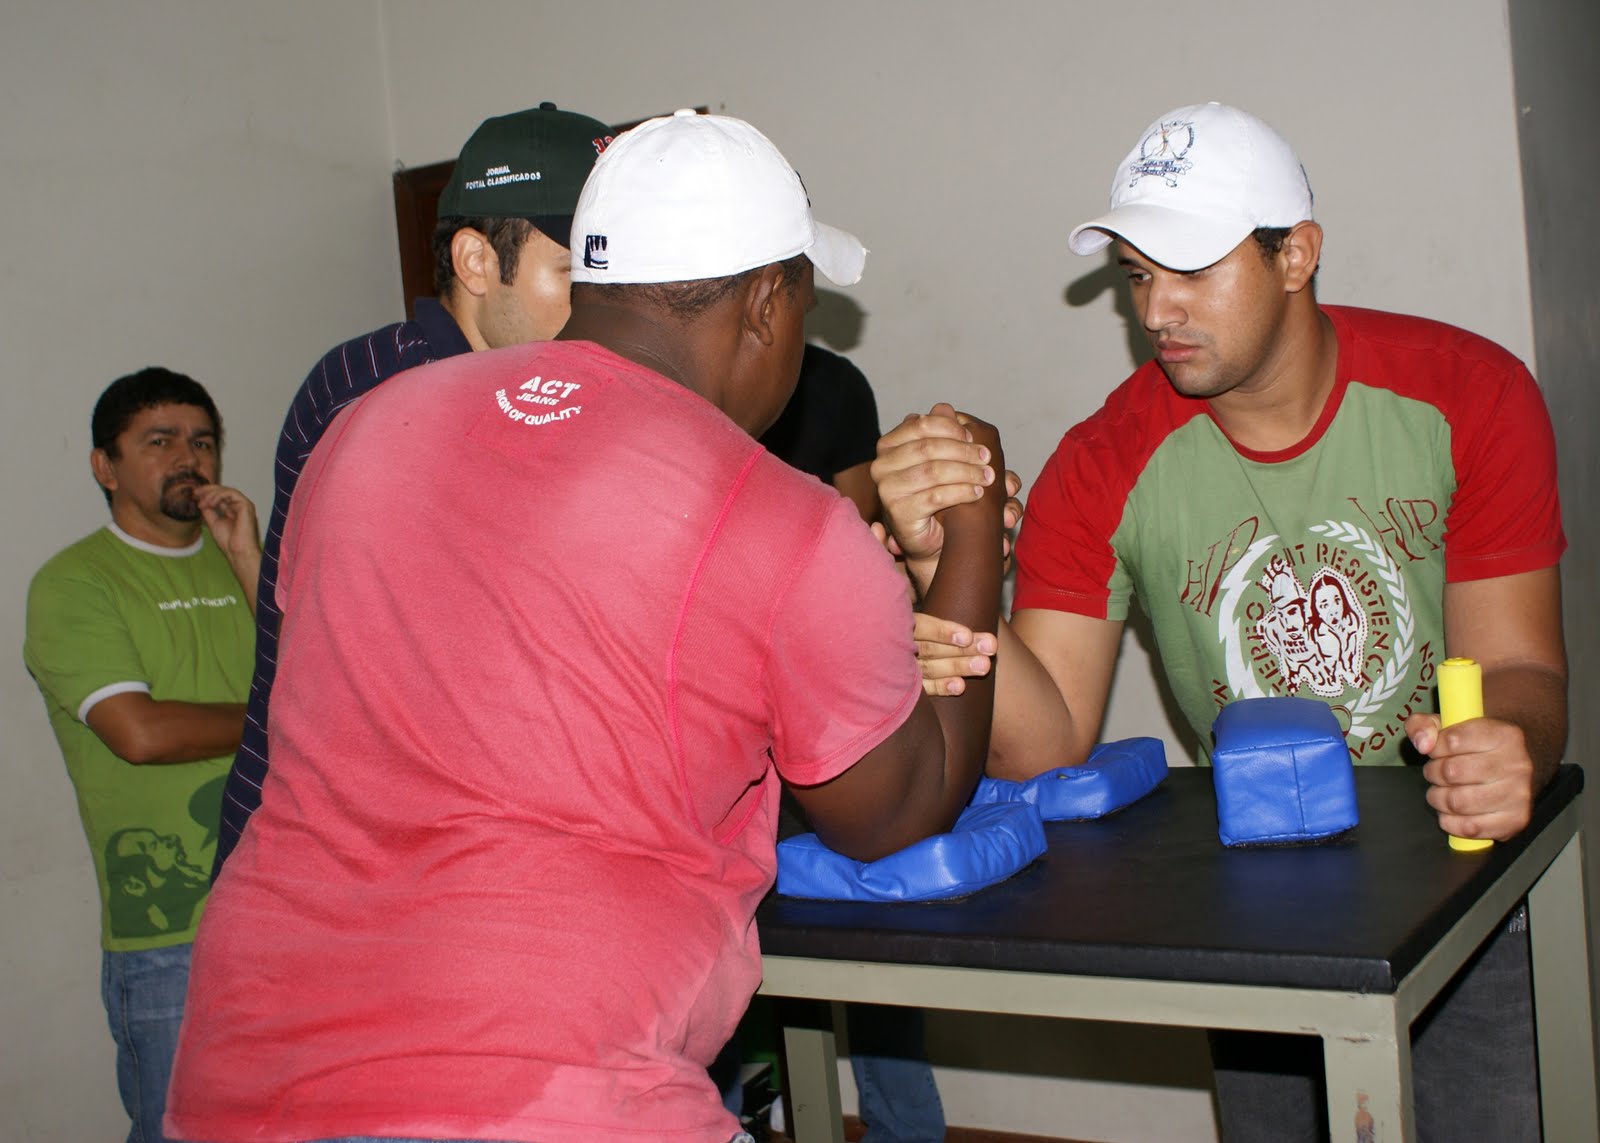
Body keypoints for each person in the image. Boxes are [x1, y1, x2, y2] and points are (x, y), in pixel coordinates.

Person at [165, 109, 1007, 1143]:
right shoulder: (780, 519)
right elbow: (895, 811)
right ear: (768, 302)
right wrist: (973, 540)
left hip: (248, 1070)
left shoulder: (363, 431)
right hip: (545, 1091)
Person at [875, 102, 1566, 1141]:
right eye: (1139, 275)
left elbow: (1517, 662)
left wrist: (1511, 744)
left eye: (1193, 268)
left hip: (1449, 863)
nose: (1158, 310)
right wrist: (939, 568)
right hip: (1259, 895)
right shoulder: (1104, 461)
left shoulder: (1468, 396)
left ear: (1297, 255)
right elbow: (1044, 740)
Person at [211, 101, 613, 871]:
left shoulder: (546, 395)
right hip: (331, 866)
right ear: (475, 262)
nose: (602, 303)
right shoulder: (382, 390)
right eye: (574, 272)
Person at [23, 367, 260, 1143]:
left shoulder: (245, 562)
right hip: (169, 935)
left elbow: (334, 681)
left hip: (292, 908)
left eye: (202, 441)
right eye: (158, 441)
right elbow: (140, 732)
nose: (188, 458)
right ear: (106, 465)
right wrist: (280, 715)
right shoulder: (75, 582)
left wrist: (252, 566)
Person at [759, 345, 947, 1142]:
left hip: (825, 697)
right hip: (721, 701)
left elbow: (864, 545)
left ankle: (907, 1128)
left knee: (877, 933)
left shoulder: (834, 385)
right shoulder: (666, 377)